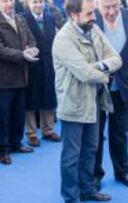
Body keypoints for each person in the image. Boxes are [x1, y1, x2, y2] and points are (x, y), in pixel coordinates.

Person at [52, 0, 122, 202]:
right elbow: (84, 73)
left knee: (90, 149)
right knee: (71, 156)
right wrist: (106, 74)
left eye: (93, 12)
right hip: (73, 104)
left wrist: (98, 66)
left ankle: (87, 189)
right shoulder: (63, 39)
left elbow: (116, 58)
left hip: (94, 101)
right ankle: (71, 196)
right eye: (89, 13)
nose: (94, 16)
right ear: (74, 14)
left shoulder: (94, 29)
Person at [94, 0, 128, 188]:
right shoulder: (91, 18)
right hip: (97, 85)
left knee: (120, 132)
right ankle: (95, 175)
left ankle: (122, 172)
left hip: (122, 85)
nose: (112, 11)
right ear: (98, 4)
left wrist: (120, 68)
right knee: (95, 134)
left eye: (116, 6)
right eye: (107, 7)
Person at [0, 0, 39, 165]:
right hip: (3, 78)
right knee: (3, 117)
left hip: (22, 76)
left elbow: (31, 39)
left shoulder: (20, 19)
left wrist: (33, 49)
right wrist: (22, 55)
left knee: (18, 114)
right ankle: (3, 150)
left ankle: (16, 144)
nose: (9, 3)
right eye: (4, 1)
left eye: (11, 0)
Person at [22, 0, 61, 147]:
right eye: (34, 2)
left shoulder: (50, 18)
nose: (38, 5)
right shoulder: (22, 18)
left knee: (49, 97)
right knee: (31, 100)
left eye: (40, 1)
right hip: (31, 64)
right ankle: (31, 133)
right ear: (28, 3)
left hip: (49, 64)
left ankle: (48, 130)